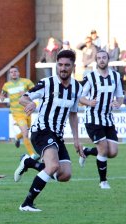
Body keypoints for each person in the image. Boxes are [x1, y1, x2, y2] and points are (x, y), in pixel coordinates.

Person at [13, 50, 85, 212]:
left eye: (67, 65)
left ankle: (29, 162)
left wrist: (76, 140)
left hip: (57, 136)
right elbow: (23, 98)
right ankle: (26, 204)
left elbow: (73, 114)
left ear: (73, 66)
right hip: (42, 131)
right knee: (52, 166)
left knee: (64, 175)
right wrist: (29, 104)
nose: (63, 68)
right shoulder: (47, 83)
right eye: (60, 65)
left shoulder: (76, 88)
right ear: (56, 65)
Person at [78, 50, 124, 189]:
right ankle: (103, 181)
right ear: (96, 61)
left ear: (108, 59)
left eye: (104, 57)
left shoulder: (115, 76)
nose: (102, 60)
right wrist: (88, 102)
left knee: (113, 152)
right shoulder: (90, 77)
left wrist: (119, 103)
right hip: (92, 118)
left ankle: (87, 151)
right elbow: (80, 97)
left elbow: (120, 95)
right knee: (103, 149)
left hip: (108, 118)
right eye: (99, 58)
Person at [0, 66, 38, 158]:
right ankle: (32, 154)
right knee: (25, 132)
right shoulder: (6, 85)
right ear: (9, 74)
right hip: (16, 113)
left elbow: (36, 91)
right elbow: (2, 93)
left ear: (18, 73)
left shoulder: (26, 82)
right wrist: (2, 97)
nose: (13, 73)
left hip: (27, 110)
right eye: (11, 72)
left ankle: (17, 137)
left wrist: (26, 93)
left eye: (15, 71)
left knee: (26, 131)